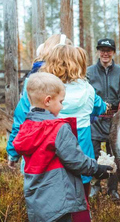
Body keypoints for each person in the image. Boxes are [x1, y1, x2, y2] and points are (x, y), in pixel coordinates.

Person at [9, 72, 113, 222]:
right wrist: (99, 169)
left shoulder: (27, 127)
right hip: (58, 202)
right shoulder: (57, 129)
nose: (63, 105)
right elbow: (76, 161)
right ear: (47, 100)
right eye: (60, 101)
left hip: (37, 201)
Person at [42, 45, 108, 222]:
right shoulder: (87, 90)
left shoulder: (45, 90)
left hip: (52, 147)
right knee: (81, 199)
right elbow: (101, 107)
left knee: (51, 196)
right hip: (81, 148)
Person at [7, 33, 72, 167]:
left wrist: (13, 153)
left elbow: (21, 116)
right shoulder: (38, 80)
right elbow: (22, 114)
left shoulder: (35, 78)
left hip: (46, 147)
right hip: (60, 146)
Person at [87, 37, 120, 200]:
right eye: (102, 51)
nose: (105, 54)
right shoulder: (89, 72)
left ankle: (113, 190)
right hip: (95, 120)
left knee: (114, 155)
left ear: (113, 53)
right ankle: (95, 185)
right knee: (94, 153)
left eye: (108, 51)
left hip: (115, 120)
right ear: (98, 52)